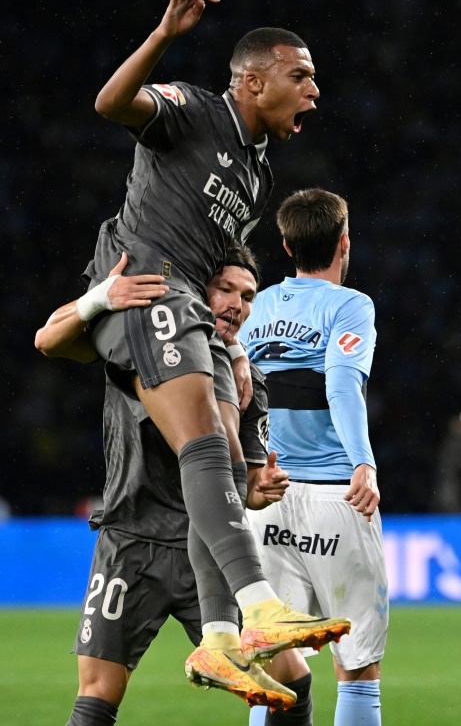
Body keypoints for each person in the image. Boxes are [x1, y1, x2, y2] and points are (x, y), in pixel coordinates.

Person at [74, 0, 348, 708]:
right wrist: (165, 35)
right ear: (253, 82)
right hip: (150, 288)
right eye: (302, 75)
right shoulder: (194, 111)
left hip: (191, 305)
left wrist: (231, 333)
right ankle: (258, 607)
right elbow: (110, 104)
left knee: (227, 459)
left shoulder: (257, 175)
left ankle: (221, 639)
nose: (315, 91)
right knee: (203, 443)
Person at [35, 243, 300, 723]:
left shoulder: (248, 382)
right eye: (224, 289)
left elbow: (243, 487)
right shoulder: (143, 337)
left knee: (293, 679)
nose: (236, 305)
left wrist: (257, 492)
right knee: (97, 696)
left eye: (247, 295)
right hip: (131, 538)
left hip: (209, 552)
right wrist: (101, 297)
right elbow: (48, 337)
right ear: (198, 288)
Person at [239, 189, 389, 726]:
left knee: (275, 661)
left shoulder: (253, 306)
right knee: (358, 668)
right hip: (333, 493)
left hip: (265, 496)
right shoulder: (350, 305)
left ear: (285, 246)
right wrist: (362, 462)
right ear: (344, 242)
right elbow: (343, 384)